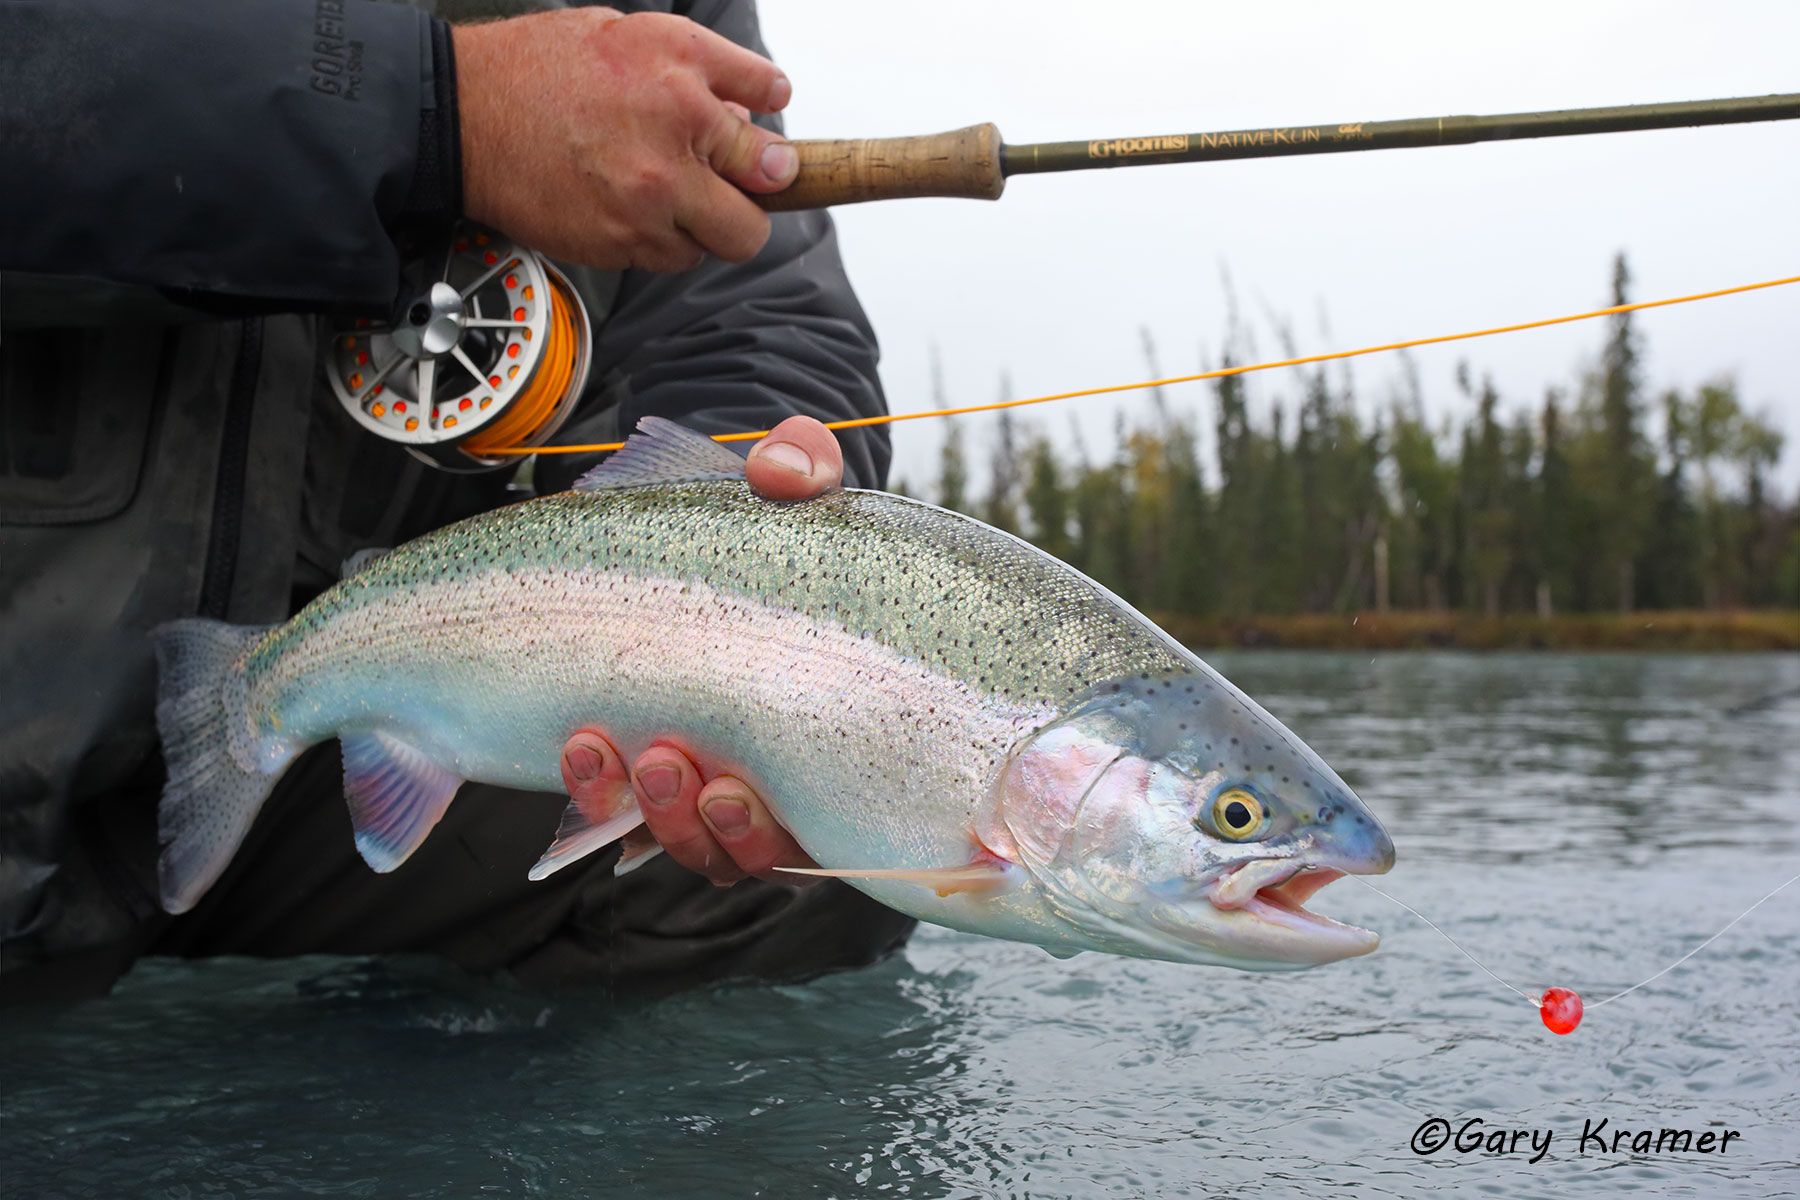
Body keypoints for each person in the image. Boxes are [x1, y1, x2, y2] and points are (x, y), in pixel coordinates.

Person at [0, 0, 916, 1002]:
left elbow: (746, 319)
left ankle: (381, 1091)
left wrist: (732, 531)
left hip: (324, 738)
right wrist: (435, 111)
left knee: (823, 867)